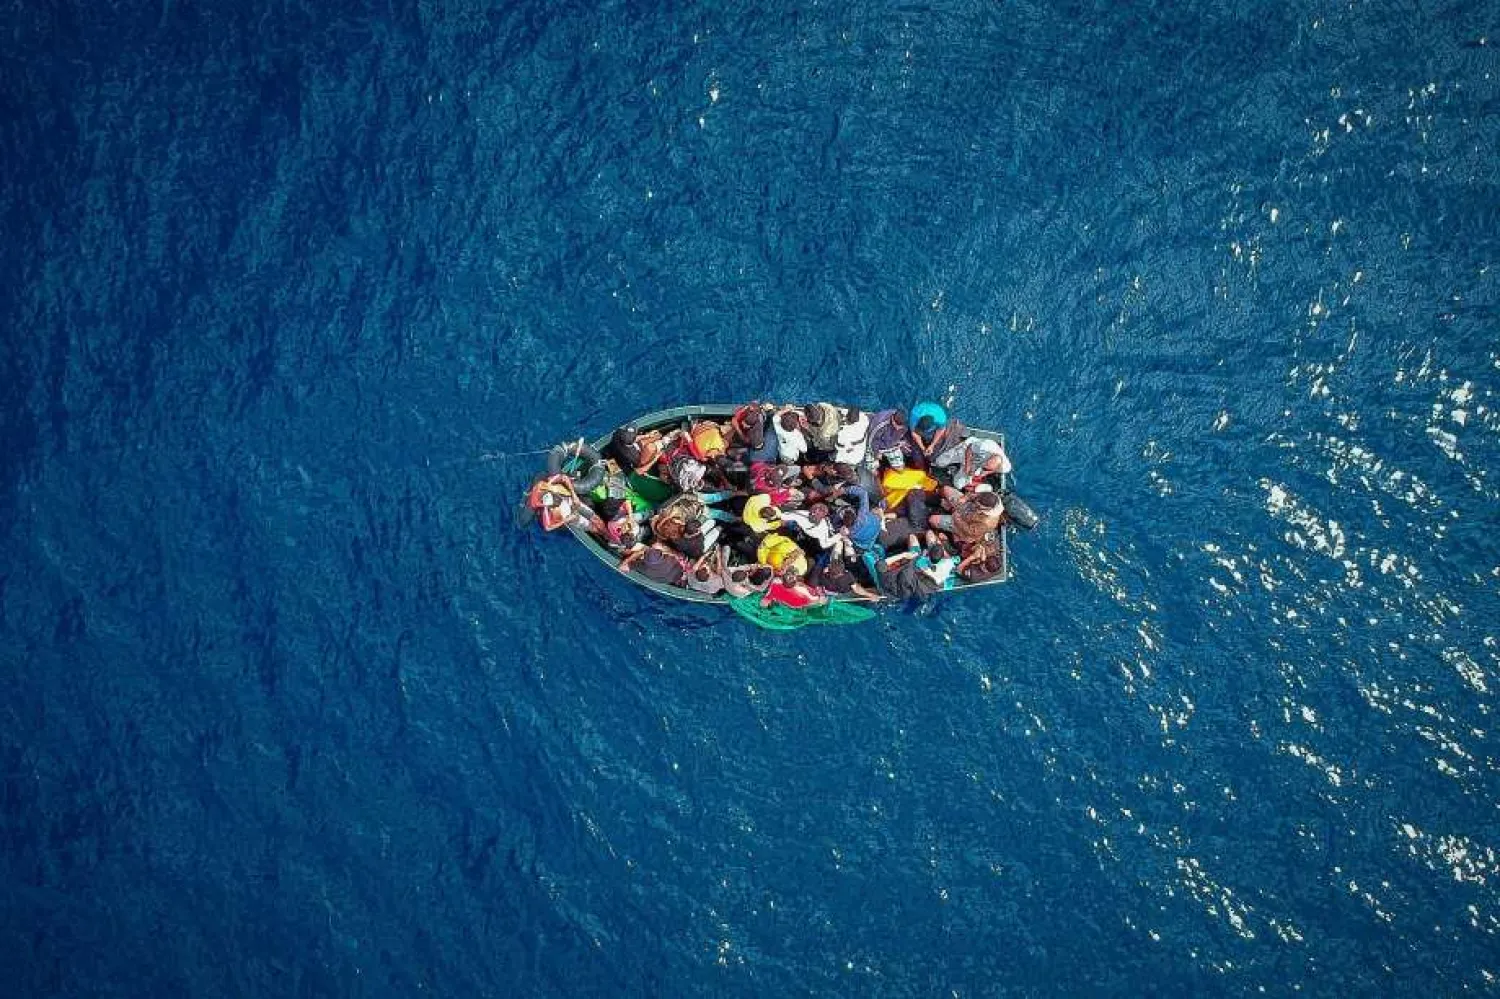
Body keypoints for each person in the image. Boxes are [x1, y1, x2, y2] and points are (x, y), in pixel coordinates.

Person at [930, 488, 1006, 553]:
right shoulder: (986, 496)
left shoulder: (986, 523)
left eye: (979, 507)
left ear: (987, 510)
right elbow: (972, 495)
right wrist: (965, 498)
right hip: (966, 508)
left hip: (963, 526)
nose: (977, 506)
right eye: (977, 503)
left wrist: (956, 517)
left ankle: (936, 530)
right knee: (946, 489)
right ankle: (941, 499)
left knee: (933, 520)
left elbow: (968, 531)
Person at [617, 542, 690, 585]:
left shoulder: (641, 566)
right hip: (673, 576)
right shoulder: (670, 560)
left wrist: (636, 554)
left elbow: (621, 567)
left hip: (663, 579)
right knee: (658, 545)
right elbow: (675, 556)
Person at [761, 567, 826, 610]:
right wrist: (820, 593)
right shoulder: (802, 593)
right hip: (809, 591)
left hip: (797, 599)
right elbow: (821, 601)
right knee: (817, 568)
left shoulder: (776, 582)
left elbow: (764, 603)